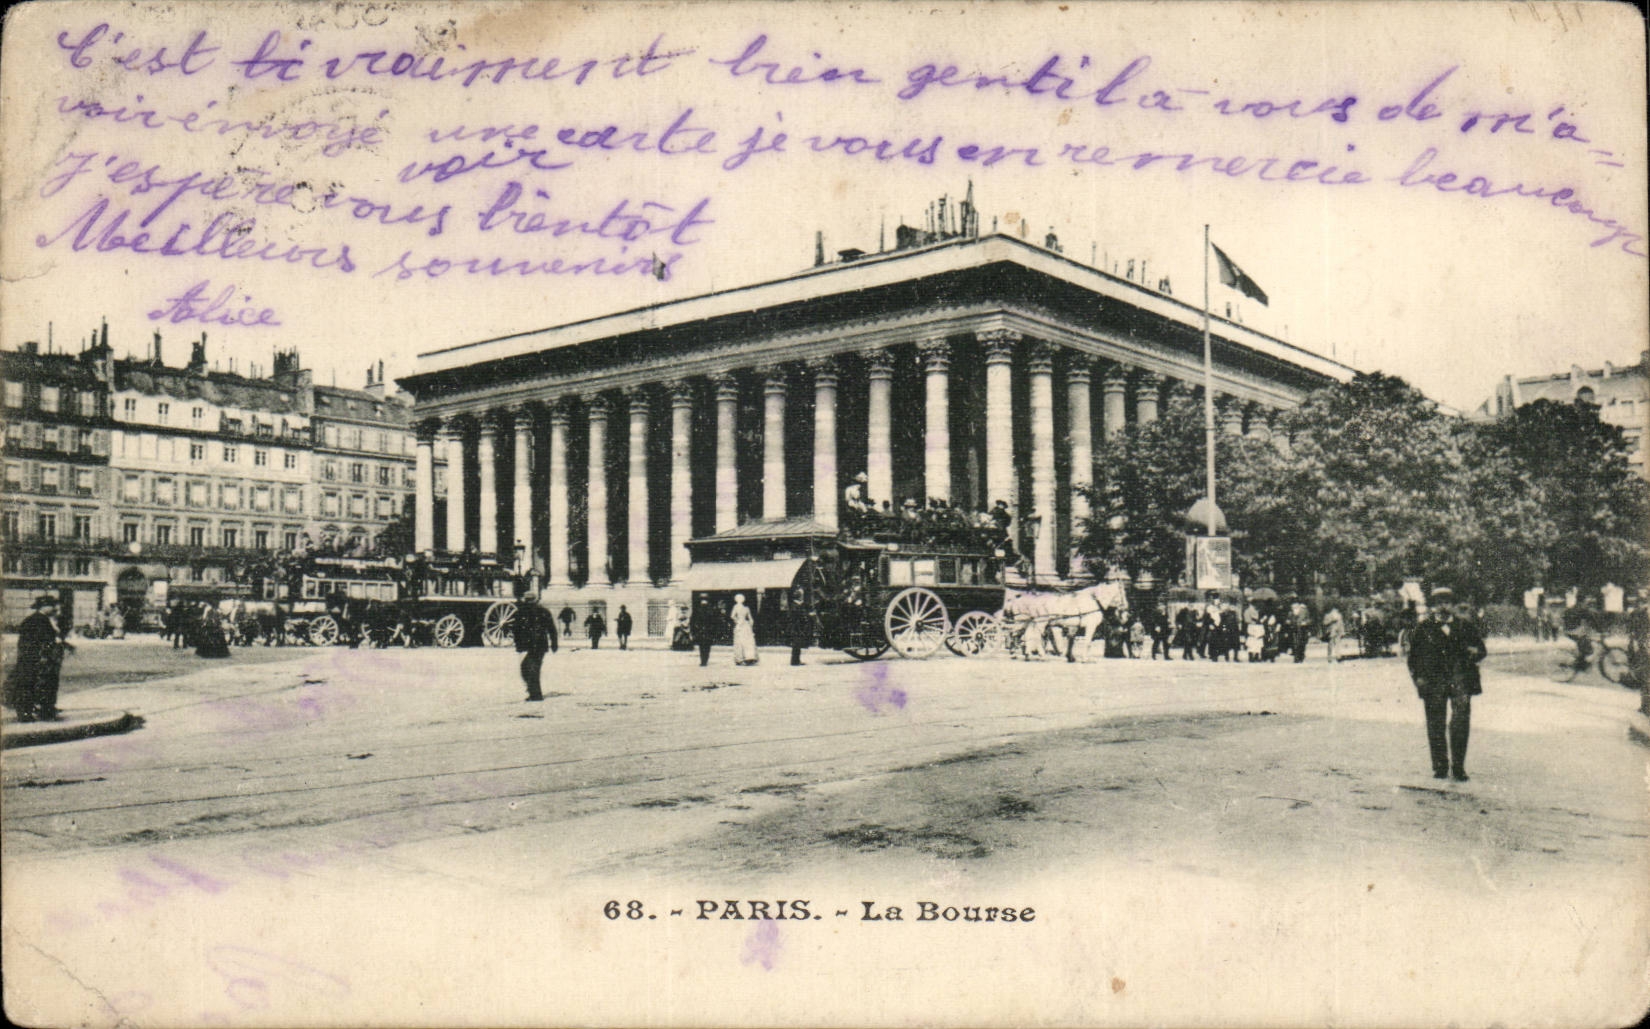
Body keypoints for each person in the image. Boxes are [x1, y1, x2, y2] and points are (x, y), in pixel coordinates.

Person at [1406, 587, 1486, 782]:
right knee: (1435, 723)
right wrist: (1419, 679)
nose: (1443, 607)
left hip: (1460, 681)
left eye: (1447, 602)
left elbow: (1481, 650)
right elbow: (1413, 658)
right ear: (1433, 606)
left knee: (1460, 723)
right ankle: (1440, 766)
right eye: (1439, 603)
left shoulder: (1465, 627)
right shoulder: (1422, 629)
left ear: (1453, 605)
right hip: (1434, 682)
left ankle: (1458, 767)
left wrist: (1474, 651)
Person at [5, 596, 72, 722]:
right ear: (44, 607)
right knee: (29, 685)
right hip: (35, 658)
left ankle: (33, 711)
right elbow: (42, 640)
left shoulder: (37, 619)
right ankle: (27, 714)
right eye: (51, 605)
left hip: (31, 657)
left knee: (31, 685)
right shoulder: (39, 620)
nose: (54, 608)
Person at [514, 592, 557, 702]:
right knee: (527, 668)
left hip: (538, 644)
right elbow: (516, 630)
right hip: (533, 644)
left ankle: (536, 695)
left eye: (530, 600)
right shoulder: (521, 612)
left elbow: (551, 628)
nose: (529, 602)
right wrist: (518, 644)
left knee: (532, 668)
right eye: (528, 600)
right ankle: (533, 692)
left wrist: (554, 643)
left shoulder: (541, 612)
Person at [730, 594, 759, 666]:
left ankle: (740, 658)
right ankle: (749, 657)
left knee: (740, 642)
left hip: (740, 625)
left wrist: (738, 622)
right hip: (746, 626)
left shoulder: (736, 607)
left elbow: (732, 616)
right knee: (748, 641)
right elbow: (751, 619)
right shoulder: (746, 608)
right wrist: (750, 625)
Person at [690, 596, 719, 666]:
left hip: (700, 631)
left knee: (701, 646)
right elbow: (714, 622)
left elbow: (692, 621)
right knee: (707, 646)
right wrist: (713, 630)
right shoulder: (711, 610)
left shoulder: (697, 610)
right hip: (708, 631)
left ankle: (703, 661)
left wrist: (694, 631)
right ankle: (705, 660)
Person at [787, 589, 813, 666]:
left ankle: (796, 660)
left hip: (799, 627)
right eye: (801, 595)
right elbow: (795, 618)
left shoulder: (797, 605)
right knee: (796, 645)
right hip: (796, 628)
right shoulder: (795, 606)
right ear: (799, 596)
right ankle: (795, 661)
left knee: (797, 645)